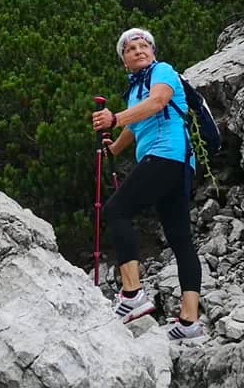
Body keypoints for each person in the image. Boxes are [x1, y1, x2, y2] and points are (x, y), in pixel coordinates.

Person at [91, 27, 203, 340]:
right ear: (124, 61)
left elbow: (157, 103)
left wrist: (114, 119)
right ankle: (189, 323)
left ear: (153, 53)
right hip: (174, 164)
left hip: (167, 155)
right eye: (131, 49)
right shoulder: (133, 90)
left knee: (116, 210)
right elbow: (137, 123)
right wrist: (114, 147)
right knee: (180, 239)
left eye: (144, 46)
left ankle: (131, 295)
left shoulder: (163, 72)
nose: (139, 51)